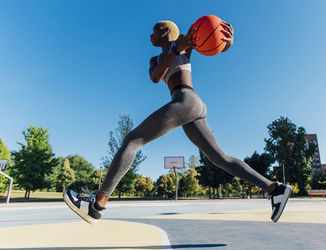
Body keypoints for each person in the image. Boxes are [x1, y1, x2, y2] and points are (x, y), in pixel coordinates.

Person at [64, 20, 292, 224]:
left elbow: (211, 43)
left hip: (187, 99)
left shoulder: (187, 46)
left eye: (153, 31)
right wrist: (174, 49)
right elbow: (155, 76)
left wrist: (227, 43)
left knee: (132, 140)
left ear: (165, 31)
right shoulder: (158, 58)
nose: (150, 36)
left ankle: (96, 205)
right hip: (192, 106)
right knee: (220, 158)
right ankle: (274, 188)